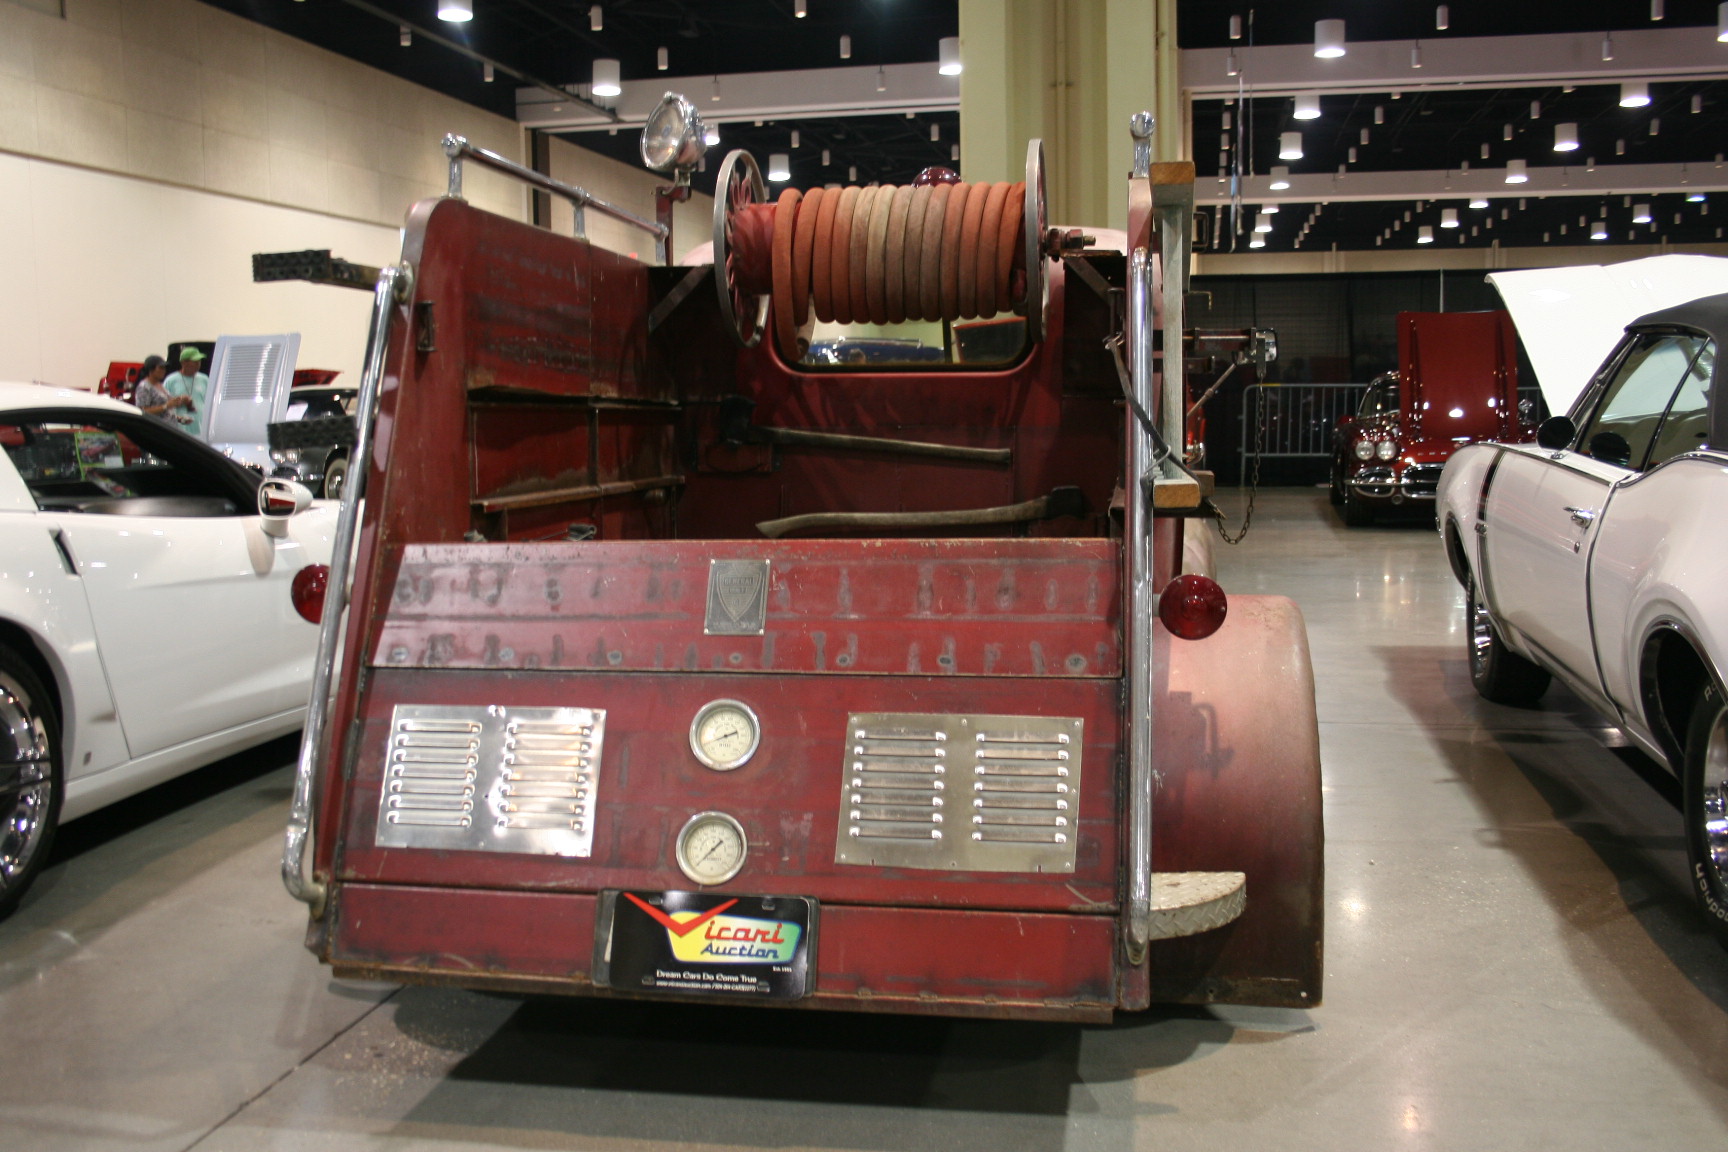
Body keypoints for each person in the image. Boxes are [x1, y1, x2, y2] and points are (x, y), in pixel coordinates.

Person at [132, 355, 191, 424]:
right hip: (156, 429)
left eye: (164, 368)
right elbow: (143, 411)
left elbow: (165, 413)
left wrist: (179, 419)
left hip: (169, 428)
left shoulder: (160, 385)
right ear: (151, 370)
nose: (164, 371)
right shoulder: (144, 387)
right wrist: (166, 405)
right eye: (161, 368)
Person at [167, 347, 210, 437]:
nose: (198, 364)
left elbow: (210, 402)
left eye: (199, 361)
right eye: (194, 361)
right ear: (183, 363)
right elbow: (165, 405)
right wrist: (179, 401)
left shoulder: (204, 379)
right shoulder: (171, 380)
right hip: (181, 429)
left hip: (201, 428)